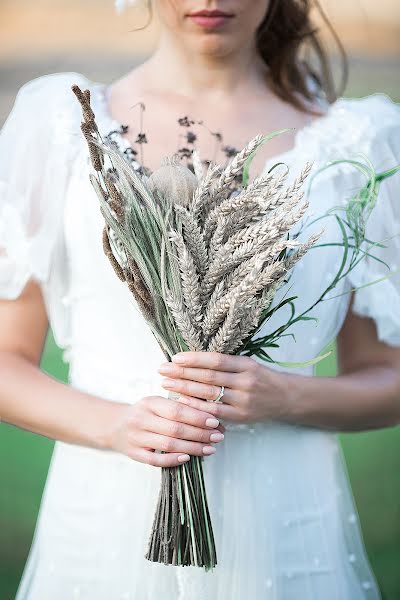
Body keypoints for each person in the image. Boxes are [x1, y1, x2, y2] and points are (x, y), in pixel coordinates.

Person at [1, 1, 399, 598]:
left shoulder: (361, 142)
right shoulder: (56, 122)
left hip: (285, 529)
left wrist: (284, 394)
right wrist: (117, 427)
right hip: (104, 521)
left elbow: (387, 375)